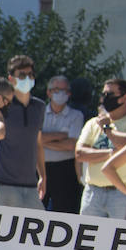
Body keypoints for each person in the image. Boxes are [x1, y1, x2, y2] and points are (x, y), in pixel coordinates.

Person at [75, 77, 126, 220]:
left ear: (124, 98)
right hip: (93, 192)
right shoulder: (93, 123)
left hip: (122, 193)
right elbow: (80, 154)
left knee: (121, 238)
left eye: (109, 95)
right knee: (88, 237)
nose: (104, 98)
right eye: (103, 94)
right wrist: (112, 153)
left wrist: (108, 129)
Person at [0, 54, 46, 210]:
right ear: (11, 79)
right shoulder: (2, 106)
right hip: (4, 184)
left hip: (31, 185)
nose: (27, 78)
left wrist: (43, 176)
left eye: (30, 75)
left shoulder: (39, 107)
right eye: (22, 75)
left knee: (40, 230)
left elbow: (38, 143)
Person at [40, 74, 84, 214]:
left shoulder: (76, 115)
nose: (61, 93)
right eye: (56, 89)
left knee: (65, 212)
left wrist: (43, 141)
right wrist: (60, 136)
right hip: (40, 168)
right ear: (49, 92)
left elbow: (72, 145)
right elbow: (32, 139)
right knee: (35, 211)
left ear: (69, 94)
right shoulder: (38, 112)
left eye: (65, 90)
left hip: (65, 170)